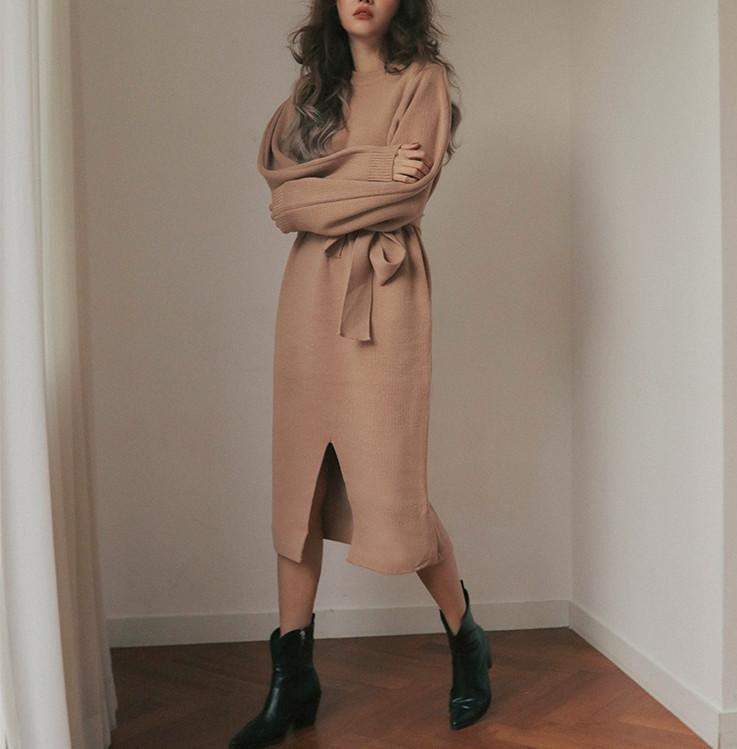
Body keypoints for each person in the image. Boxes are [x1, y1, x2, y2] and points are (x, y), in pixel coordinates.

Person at [229, 2, 491, 746]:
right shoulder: (311, 93)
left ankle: (466, 636)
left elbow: (406, 195)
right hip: (308, 295)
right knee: (299, 485)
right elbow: (284, 201)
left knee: (391, 485)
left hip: (385, 292)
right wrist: (372, 166)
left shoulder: (422, 81)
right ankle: (292, 676)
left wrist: (328, 189)